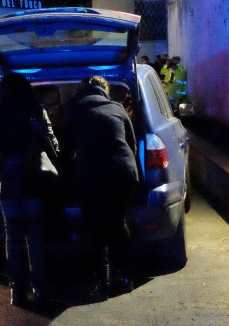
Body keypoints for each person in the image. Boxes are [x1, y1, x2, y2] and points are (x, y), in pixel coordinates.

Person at [0, 73, 58, 307]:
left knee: (12, 237)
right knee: (34, 236)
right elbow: (52, 144)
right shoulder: (36, 111)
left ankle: (17, 291)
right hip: (34, 178)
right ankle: (41, 290)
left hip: (8, 181)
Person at [62, 76, 139, 300]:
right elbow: (132, 145)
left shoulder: (73, 110)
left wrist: (65, 180)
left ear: (80, 90)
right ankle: (125, 277)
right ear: (104, 90)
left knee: (94, 228)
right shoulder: (117, 108)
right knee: (117, 223)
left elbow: (66, 151)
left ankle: (102, 284)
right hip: (123, 173)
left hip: (92, 176)